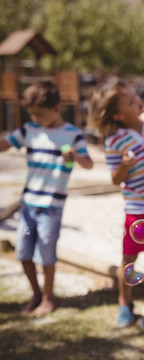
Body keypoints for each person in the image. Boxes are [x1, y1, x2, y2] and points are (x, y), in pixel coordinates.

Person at [90, 78, 144, 331]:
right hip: (137, 209)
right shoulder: (114, 141)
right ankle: (124, 305)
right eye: (130, 101)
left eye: (134, 95)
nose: (137, 100)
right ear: (117, 114)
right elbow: (115, 179)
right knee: (129, 260)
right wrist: (125, 166)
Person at [0, 81, 94, 317]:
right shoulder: (29, 129)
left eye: (39, 114)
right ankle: (36, 293)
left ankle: (49, 298)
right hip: (28, 203)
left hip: (52, 205)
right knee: (23, 252)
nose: (35, 118)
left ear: (56, 108)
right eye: (31, 113)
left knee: (46, 253)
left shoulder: (73, 134)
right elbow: (5, 144)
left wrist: (75, 157)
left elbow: (88, 163)